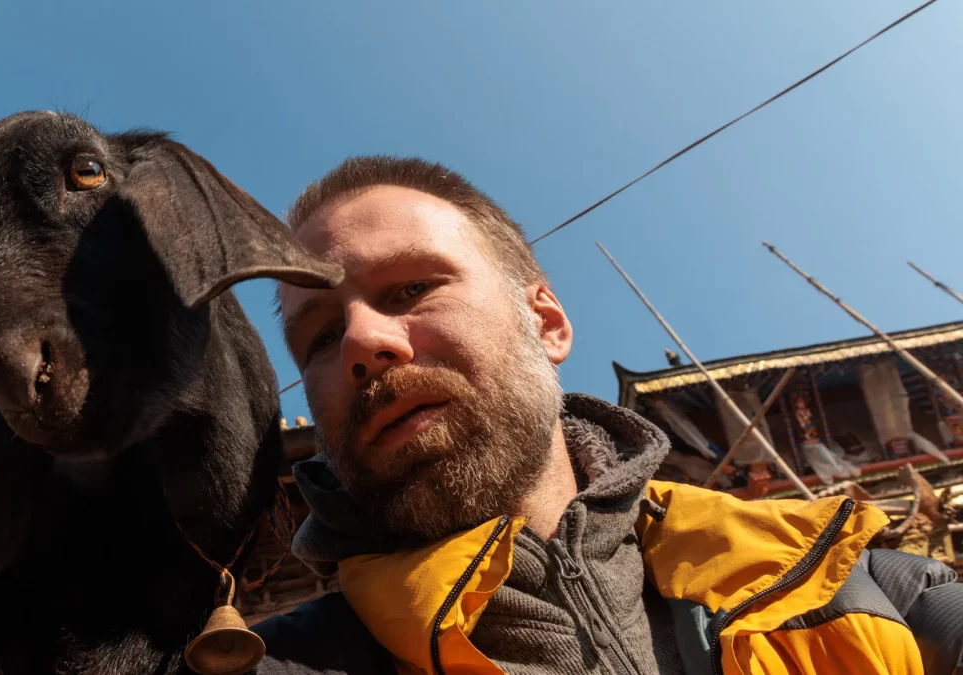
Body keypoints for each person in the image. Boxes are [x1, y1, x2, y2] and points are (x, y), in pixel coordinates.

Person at [249, 156, 963, 675]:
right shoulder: (276, 663)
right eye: (317, 337)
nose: (362, 344)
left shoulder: (865, 588)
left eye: (410, 287)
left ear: (548, 321)